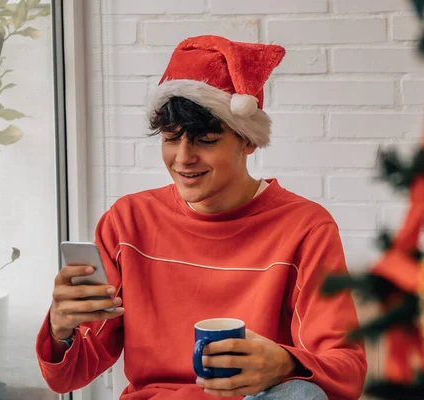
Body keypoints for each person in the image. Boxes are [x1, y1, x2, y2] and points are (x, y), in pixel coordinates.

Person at [36, 35, 367, 400]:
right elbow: (67, 377)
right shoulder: (127, 222)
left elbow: (345, 369)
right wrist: (60, 329)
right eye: (170, 138)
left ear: (248, 140)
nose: (182, 158)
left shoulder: (305, 227)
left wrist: (287, 364)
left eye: (205, 140)